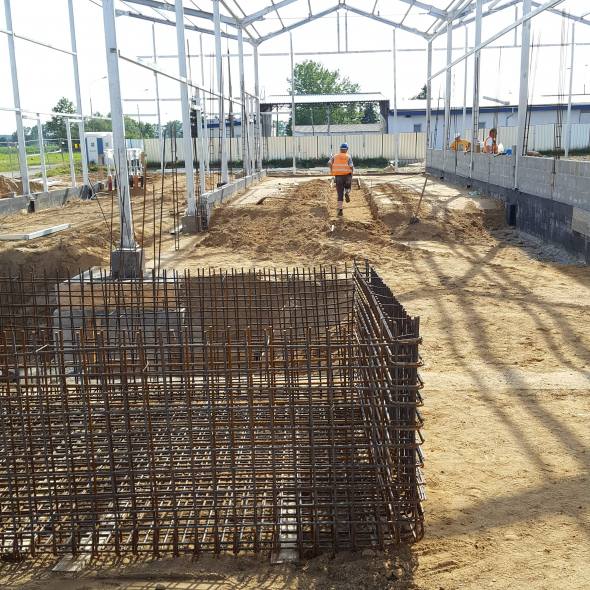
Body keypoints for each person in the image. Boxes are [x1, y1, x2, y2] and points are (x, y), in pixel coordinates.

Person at [328, 143, 354, 216]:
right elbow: (351, 166)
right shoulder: (348, 157)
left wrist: (333, 169)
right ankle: (347, 193)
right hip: (347, 175)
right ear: (346, 150)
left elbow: (329, 163)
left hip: (338, 176)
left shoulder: (335, 156)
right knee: (348, 186)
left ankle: (340, 210)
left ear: (340, 149)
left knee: (339, 193)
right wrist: (351, 174)